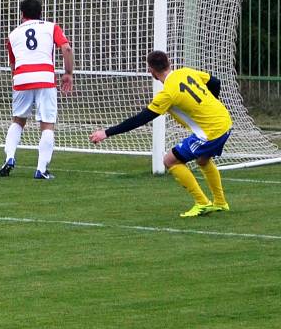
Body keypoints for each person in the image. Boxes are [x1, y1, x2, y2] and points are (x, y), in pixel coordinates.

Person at [89, 50, 231, 218]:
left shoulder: (167, 94)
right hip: (225, 121)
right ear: (169, 62)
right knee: (202, 159)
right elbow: (215, 82)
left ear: (151, 71)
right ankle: (220, 203)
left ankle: (202, 203)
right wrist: (210, 104)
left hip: (210, 132)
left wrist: (106, 133)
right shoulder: (185, 72)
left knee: (169, 160)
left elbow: (140, 119)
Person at [0, 0, 74, 180]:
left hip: (21, 76)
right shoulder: (51, 27)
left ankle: (9, 158)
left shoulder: (13, 34)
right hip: (45, 77)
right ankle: (41, 169)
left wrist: (17, 81)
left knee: (17, 120)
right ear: (40, 12)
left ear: (22, 14)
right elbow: (67, 48)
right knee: (47, 124)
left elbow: (13, 63)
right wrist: (68, 73)